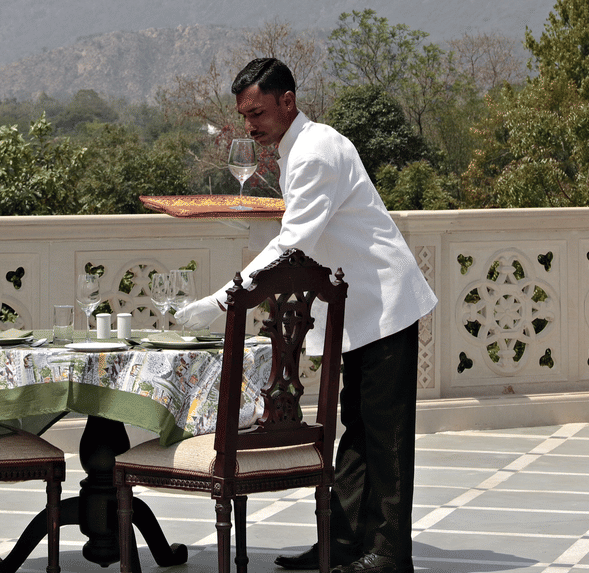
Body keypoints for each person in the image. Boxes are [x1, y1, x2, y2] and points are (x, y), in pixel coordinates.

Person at [176, 58, 437, 573]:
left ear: (287, 101)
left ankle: (389, 555)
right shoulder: (303, 146)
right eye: (244, 115)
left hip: (384, 305)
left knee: (383, 436)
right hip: (360, 308)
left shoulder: (315, 153)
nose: (249, 125)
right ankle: (340, 545)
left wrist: (223, 299)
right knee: (357, 431)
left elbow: (294, 244)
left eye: (257, 113)